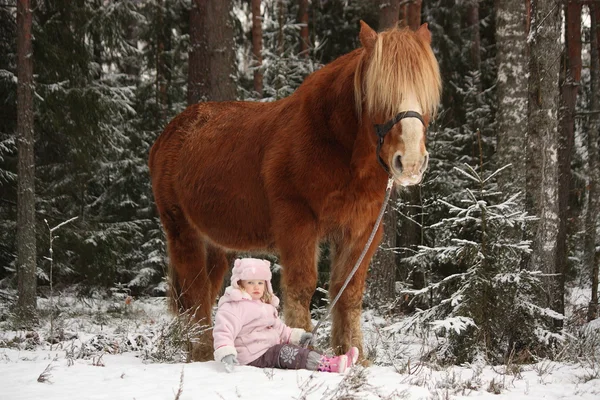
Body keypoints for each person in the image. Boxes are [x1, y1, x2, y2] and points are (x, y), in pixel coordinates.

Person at [213, 257, 359, 373]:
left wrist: (298, 336)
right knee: (290, 353)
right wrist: (226, 353)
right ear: (240, 283)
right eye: (250, 282)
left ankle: (332, 360)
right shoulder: (234, 306)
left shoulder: (265, 306)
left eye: (260, 283)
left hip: (268, 348)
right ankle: (330, 365)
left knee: (297, 351)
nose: (256, 287)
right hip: (253, 355)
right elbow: (223, 331)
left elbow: (280, 329)